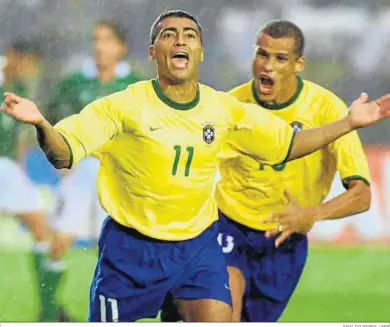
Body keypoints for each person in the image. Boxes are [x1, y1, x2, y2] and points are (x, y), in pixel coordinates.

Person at [2, 10, 390, 322]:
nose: (180, 39)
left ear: (200, 51)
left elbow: (288, 144)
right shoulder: (122, 106)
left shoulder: (224, 109)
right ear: (153, 52)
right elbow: (64, 152)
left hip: (198, 245)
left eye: (189, 34)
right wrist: (40, 123)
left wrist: (348, 124)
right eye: (168, 34)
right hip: (134, 246)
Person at [215, 20, 372, 322]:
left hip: (285, 241)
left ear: (299, 64)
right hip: (227, 227)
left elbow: (362, 195)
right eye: (262, 54)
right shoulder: (230, 106)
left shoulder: (329, 110)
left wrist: (311, 214)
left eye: (280, 58)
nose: (268, 66)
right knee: (220, 313)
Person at [34, 19, 142, 322]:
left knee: (112, 252)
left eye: (107, 39)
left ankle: (110, 314)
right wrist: (62, 159)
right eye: (96, 39)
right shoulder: (75, 82)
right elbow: (48, 119)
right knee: (58, 244)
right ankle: (48, 309)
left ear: (120, 47)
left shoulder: (135, 85)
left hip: (117, 175)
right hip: (81, 173)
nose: (99, 45)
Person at [0, 39, 52, 319]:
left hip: (8, 169)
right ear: (12, 56)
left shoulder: (19, 89)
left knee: (43, 231)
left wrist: (21, 170)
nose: (31, 70)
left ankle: (48, 308)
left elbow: (19, 136)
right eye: (28, 63)